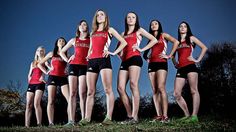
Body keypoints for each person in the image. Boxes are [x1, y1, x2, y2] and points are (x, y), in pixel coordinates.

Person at [79, 9, 127, 125]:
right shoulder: (92, 33)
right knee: (90, 91)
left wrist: (114, 52)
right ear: (95, 18)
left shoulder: (109, 30)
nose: (99, 16)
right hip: (92, 62)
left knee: (107, 89)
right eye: (98, 15)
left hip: (104, 60)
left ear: (105, 18)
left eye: (102, 15)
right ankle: (86, 119)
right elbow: (91, 46)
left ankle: (108, 118)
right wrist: (88, 55)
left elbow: (124, 42)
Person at [117, 12, 157, 124]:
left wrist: (141, 49)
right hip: (125, 61)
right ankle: (130, 115)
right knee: (120, 88)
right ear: (126, 20)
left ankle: (135, 117)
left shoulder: (139, 30)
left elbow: (154, 40)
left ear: (136, 20)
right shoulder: (122, 33)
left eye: (133, 17)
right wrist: (120, 55)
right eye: (128, 17)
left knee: (133, 84)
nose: (131, 19)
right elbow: (118, 49)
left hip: (135, 58)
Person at [142, 20, 179, 123]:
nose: (154, 25)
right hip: (151, 64)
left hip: (162, 63)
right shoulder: (150, 39)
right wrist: (146, 57)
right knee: (154, 90)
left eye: (156, 23)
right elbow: (145, 53)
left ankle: (165, 116)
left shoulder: (164, 35)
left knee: (161, 87)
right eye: (152, 24)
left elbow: (176, 42)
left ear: (159, 25)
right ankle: (158, 115)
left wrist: (169, 55)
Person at [172, 21, 207, 123]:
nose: (182, 28)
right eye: (181, 26)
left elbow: (204, 47)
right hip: (181, 68)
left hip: (191, 66)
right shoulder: (177, 42)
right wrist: (175, 63)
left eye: (185, 26)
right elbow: (173, 55)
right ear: (179, 29)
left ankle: (194, 116)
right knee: (176, 93)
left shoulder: (191, 38)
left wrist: (197, 60)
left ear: (187, 29)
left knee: (193, 90)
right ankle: (187, 115)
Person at [60, 20, 90, 127]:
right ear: (78, 28)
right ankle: (71, 120)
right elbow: (61, 51)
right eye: (81, 24)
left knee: (82, 92)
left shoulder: (90, 40)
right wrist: (68, 59)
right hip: (73, 65)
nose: (83, 26)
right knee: (72, 93)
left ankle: (83, 119)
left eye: (85, 24)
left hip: (85, 66)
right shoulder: (74, 40)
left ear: (87, 27)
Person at [38, 37, 70, 126]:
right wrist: (47, 71)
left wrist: (67, 70)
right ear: (56, 43)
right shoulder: (51, 54)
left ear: (65, 44)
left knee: (70, 99)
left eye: (63, 41)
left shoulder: (66, 54)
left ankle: (71, 121)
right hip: (52, 77)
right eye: (59, 40)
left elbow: (69, 64)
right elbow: (40, 64)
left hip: (63, 78)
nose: (61, 42)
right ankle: (51, 122)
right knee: (51, 100)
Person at [25, 46, 48, 127]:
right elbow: (29, 73)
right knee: (28, 104)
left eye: (42, 50)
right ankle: (26, 126)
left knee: (36, 103)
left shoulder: (45, 61)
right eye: (38, 50)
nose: (40, 52)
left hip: (40, 83)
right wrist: (29, 79)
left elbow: (49, 69)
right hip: (31, 84)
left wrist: (43, 76)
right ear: (36, 52)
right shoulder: (33, 63)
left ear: (44, 52)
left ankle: (39, 124)